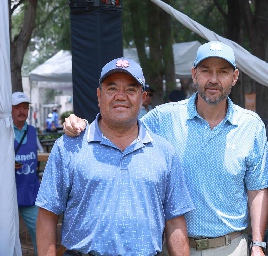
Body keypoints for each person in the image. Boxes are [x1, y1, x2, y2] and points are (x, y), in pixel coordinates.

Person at [63, 41, 268, 256]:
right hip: (171, 246)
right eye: (206, 71)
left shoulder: (251, 125)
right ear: (194, 74)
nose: (214, 79)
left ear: (235, 77)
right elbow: (118, 127)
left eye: (223, 72)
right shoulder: (163, 119)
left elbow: (257, 190)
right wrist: (80, 124)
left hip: (231, 247)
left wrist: (257, 245)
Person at [36, 57, 194, 256]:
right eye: (112, 88)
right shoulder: (69, 147)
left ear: (143, 97)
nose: (121, 96)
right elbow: (47, 214)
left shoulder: (163, 151)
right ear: (99, 95)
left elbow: (175, 220)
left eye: (130, 89)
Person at [12, 91, 40, 255]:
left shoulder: (33, 132)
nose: (22, 111)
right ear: (10, 110)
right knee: (8, 237)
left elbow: (41, 154)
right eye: (17, 108)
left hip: (31, 193)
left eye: (25, 107)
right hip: (9, 195)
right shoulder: (4, 132)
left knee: (40, 233)